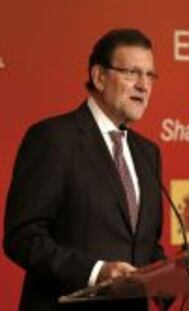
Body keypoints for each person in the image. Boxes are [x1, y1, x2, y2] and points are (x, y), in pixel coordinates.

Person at [3, 28, 168, 311]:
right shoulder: (54, 138)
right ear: (99, 77)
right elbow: (23, 236)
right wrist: (96, 272)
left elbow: (145, 245)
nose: (144, 85)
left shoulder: (147, 152)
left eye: (150, 75)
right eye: (132, 73)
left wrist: (173, 275)